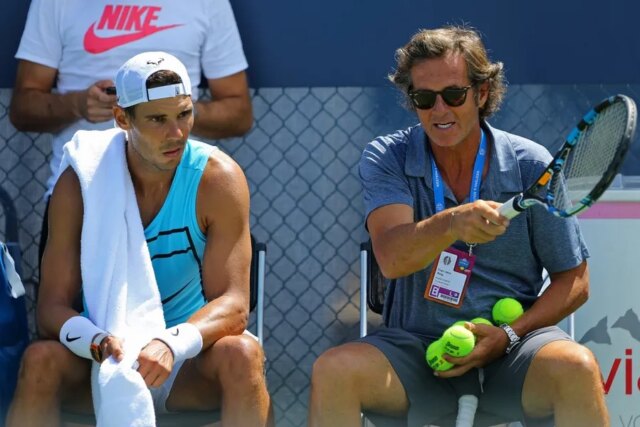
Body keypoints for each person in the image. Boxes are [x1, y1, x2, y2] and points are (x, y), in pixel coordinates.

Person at [309, 26, 609, 427]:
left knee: (578, 367)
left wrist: (508, 335)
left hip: (512, 352)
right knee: (334, 371)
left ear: (481, 93)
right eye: (424, 98)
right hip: (415, 354)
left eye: (453, 95)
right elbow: (393, 259)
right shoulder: (387, 156)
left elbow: (575, 280)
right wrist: (452, 223)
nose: (439, 111)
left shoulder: (531, 165)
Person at [6, 51, 271, 427]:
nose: (176, 133)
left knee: (243, 354)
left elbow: (234, 304)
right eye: (158, 119)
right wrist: (97, 343)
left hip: (185, 363)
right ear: (121, 119)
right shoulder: (80, 181)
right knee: (40, 361)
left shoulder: (219, 179)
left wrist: (170, 343)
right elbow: (50, 310)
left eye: (184, 114)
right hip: (101, 361)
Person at [9, 0, 253, 270]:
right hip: (81, 194)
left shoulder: (208, 3)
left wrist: (168, 109)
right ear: (121, 117)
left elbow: (239, 113)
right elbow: (22, 109)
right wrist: (76, 104)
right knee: (67, 297)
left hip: (180, 199)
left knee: (195, 298)